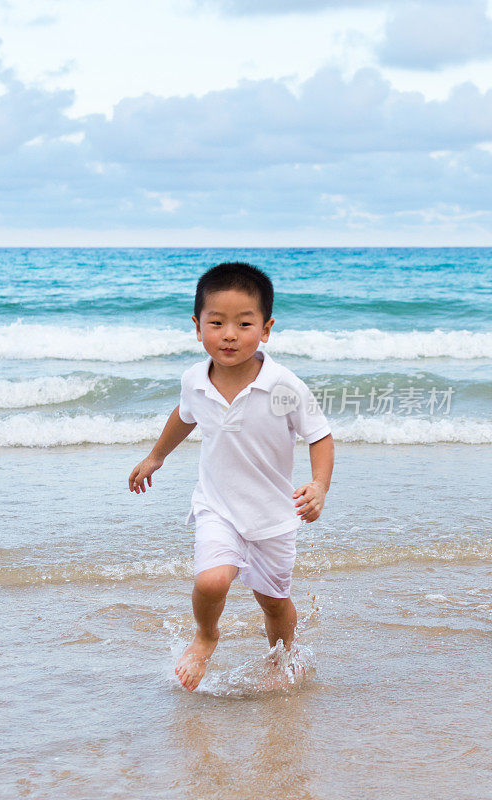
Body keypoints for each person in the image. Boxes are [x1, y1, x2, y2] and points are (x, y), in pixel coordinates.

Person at [128, 262, 335, 692]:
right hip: (217, 505)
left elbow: (320, 435)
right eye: (216, 322)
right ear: (197, 326)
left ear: (266, 328)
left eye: (244, 323)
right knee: (211, 579)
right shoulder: (195, 381)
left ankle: (284, 655)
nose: (229, 334)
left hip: (273, 515)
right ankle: (206, 636)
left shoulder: (283, 386)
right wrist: (155, 457)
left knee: (274, 602)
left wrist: (318, 485)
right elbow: (184, 418)